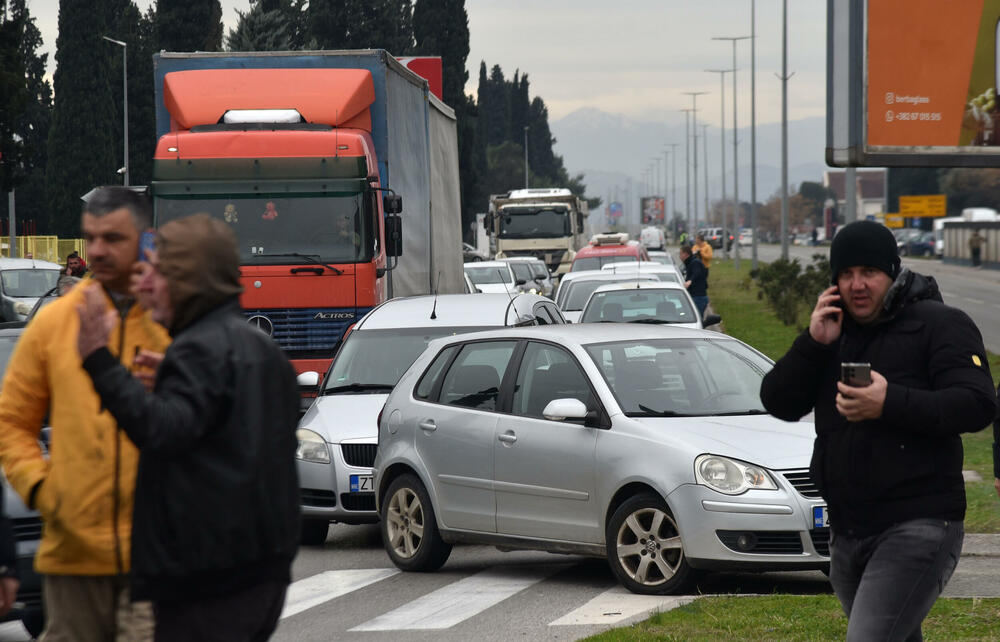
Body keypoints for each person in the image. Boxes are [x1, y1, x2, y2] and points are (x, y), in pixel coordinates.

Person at [760, 220, 996, 641]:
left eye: (869, 272)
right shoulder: (833, 333)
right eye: (846, 275)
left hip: (920, 524)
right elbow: (778, 400)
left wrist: (889, 402)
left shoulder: (940, 324)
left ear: (893, 272)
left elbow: (977, 403)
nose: (857, 285)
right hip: (847, 533)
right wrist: (813, 343)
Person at [76, 213, 301, 641]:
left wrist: (99, 361)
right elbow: (231, 429)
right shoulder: (259, 347)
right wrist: (175, 380)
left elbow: (161, 430)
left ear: (188, 280)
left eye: (157, 273)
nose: (143, 286)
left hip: (205, 579)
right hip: (262, 571)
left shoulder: (198, 350)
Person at [0, 187, 169, 639]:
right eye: (90, 237)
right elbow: (12, 422)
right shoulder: (55, 323)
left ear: (144, 239)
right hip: (72, 562)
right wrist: (41, 487)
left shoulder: (171, 320)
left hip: (158, 561)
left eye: (112, 238)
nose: (96, 250)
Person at [679, 244, 708, 319]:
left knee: (697, 318)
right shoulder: (689, 263)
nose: (679, 256)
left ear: (685, 254)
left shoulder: (695, 262)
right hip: (694, 296)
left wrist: (690, 281)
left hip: (698, 297)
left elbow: (696, 272)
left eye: (680, 253)